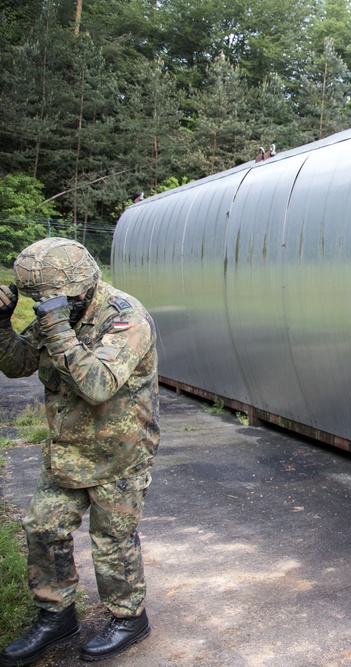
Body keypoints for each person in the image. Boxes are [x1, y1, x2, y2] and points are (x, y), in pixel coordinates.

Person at [0, 237, 159, 665]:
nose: (44, 306)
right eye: (36, 300)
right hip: (68, 450)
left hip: (119, 453)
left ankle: (129, 618)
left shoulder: (126, 318)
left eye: (49, 299)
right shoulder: (61, 308)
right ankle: (56, 615)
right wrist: (1, 325)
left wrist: (56, 328)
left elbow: (96, 385)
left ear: (81, 287)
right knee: (43, 528)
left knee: (112, 540)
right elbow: (18, 365)